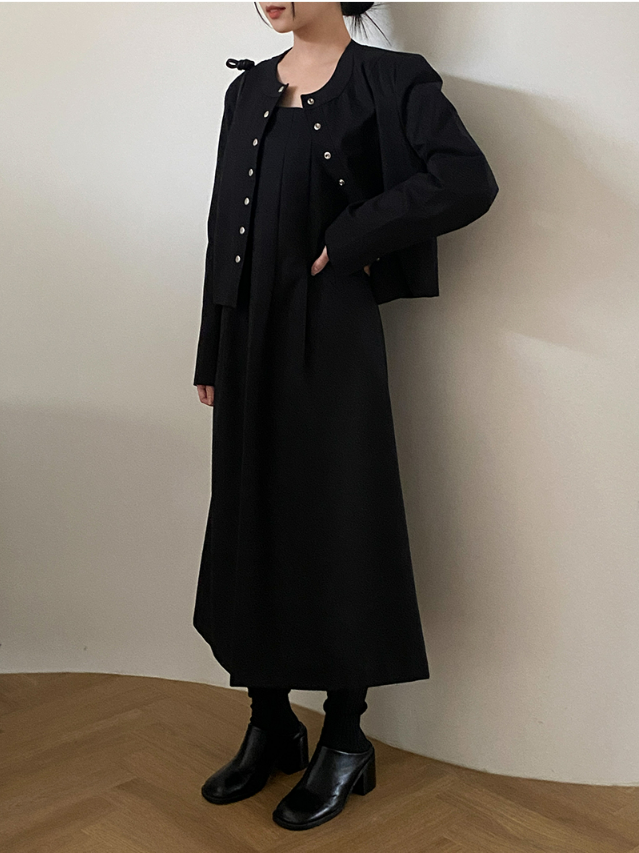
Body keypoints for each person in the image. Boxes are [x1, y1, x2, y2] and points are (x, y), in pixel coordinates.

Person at [192, 1, 498, 832]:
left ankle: (345, 735)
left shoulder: (392, 80)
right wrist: (211, 347)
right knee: (250, 518)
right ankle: (270, 721)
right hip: (247, 334)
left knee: (338, 522)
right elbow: (223, 224)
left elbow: (465, 178)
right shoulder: (248, 90)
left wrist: (357, 233)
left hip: (332, 336)